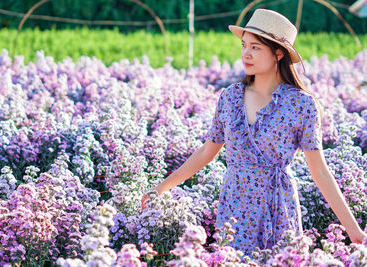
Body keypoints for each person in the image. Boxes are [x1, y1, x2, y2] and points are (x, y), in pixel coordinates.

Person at [141, 8, 367, 257]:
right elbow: (207, 152)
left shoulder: (302, 104)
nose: (246, 54)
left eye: (256, 47)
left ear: (278, 53)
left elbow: (320, 171)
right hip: (234, 207)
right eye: (244, 45)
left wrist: (354, 233)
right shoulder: (229, 97)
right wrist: (160, 188)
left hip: (278, 206)